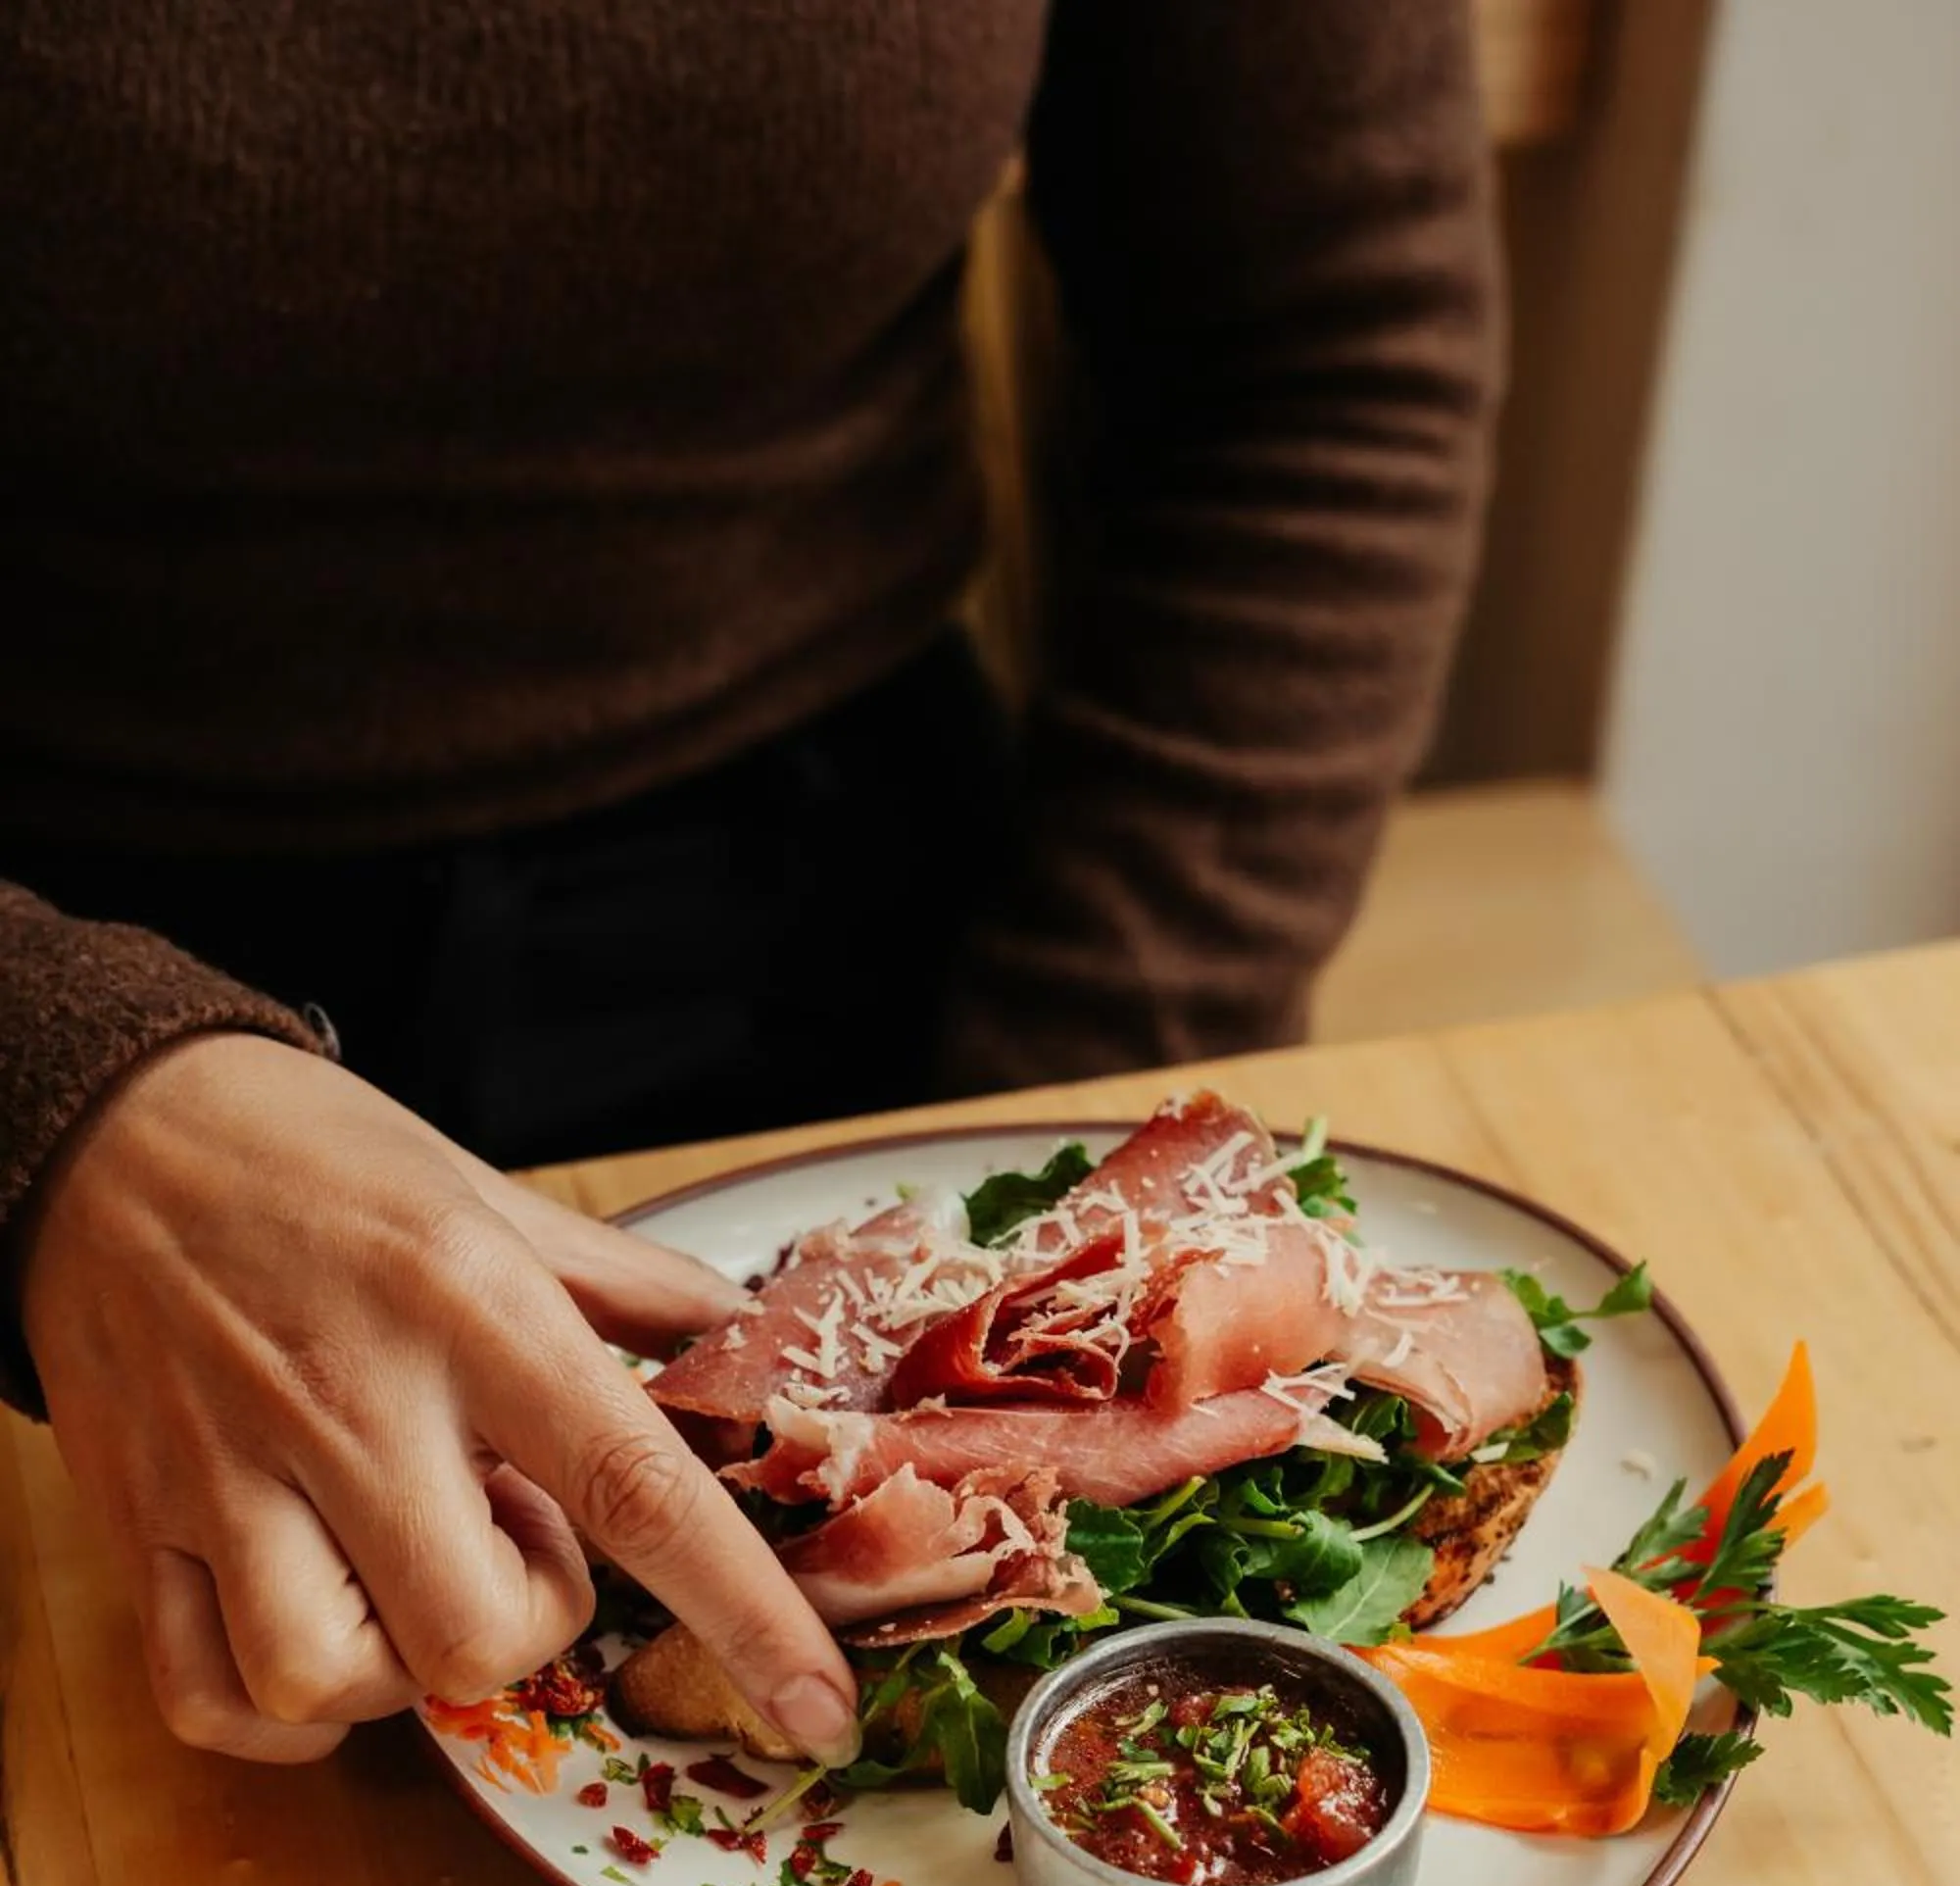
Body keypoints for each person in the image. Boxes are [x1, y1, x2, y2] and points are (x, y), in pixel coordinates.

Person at [0, 2, 1498, 1767]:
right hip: (73, 983)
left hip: (883, 937)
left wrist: (1060, 1196)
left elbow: (1326, 337)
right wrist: (51, 1096)